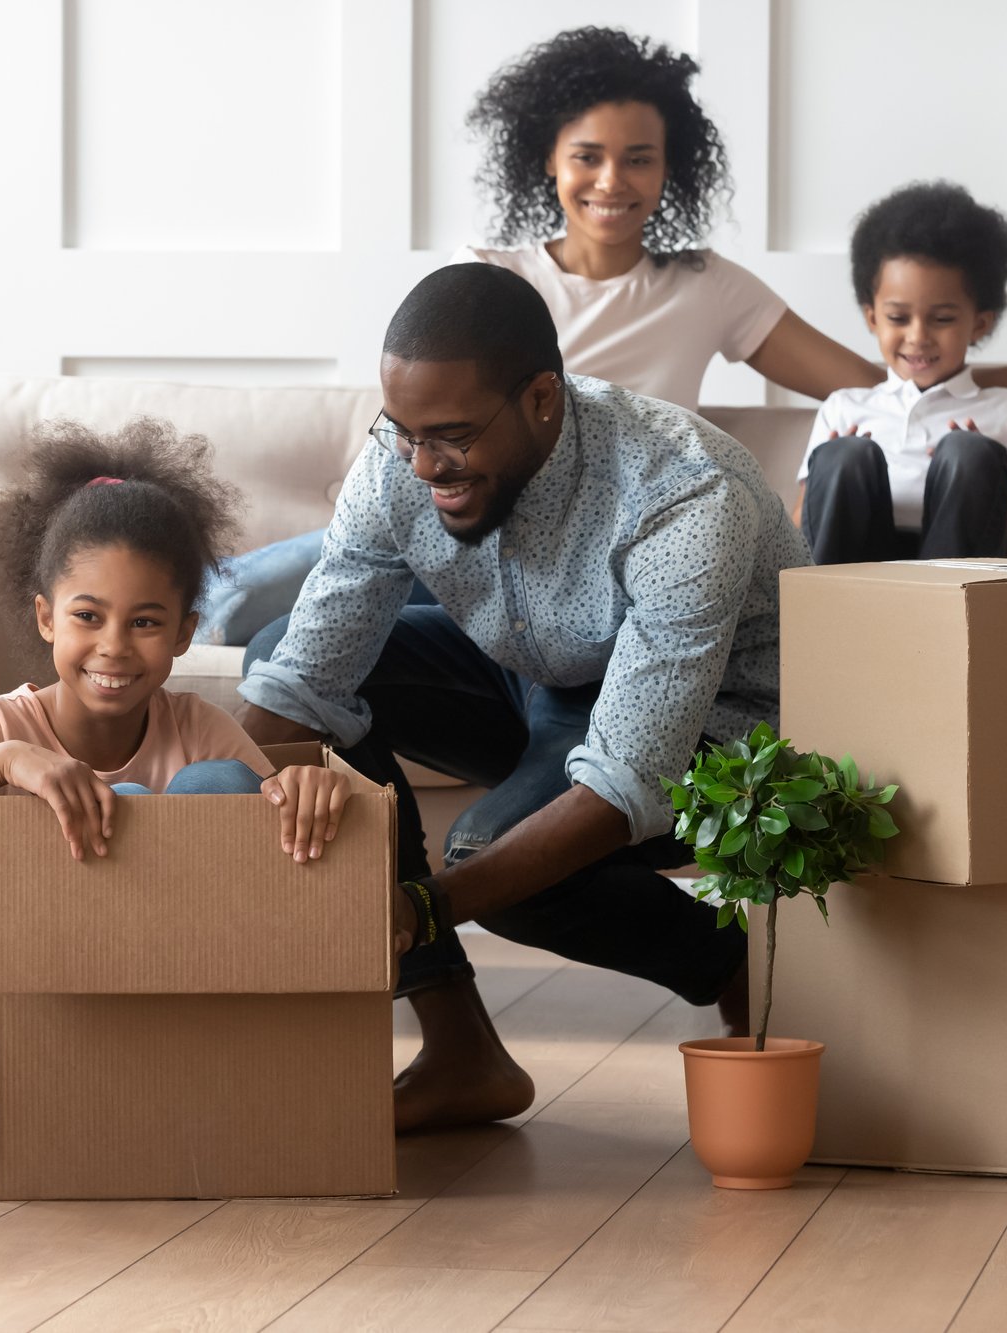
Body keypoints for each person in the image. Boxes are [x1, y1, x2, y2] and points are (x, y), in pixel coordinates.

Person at [198, 27, 1007, 643]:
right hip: (470, 516)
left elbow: (881, 382)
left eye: (639, 159)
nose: (614, 181)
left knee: (327, 623)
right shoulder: (490, 271)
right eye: (588, 158)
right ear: (549, 164)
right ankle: (156, 642)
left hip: (586, 551)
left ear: (669, 170)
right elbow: (426, 424)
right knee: (254, 594)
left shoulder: (706, 288)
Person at [236, 264, 812, 1133]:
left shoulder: (683, 493)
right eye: (405, 432)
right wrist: (202, 833)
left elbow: (624, 788)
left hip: (713, 730)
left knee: (490, 865)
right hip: (540, 680)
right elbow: (303, 681)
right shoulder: (403, 460)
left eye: (454, 437)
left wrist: (422, 905)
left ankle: (737, 966)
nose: (425, 466)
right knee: (282, 653)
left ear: (544, 398)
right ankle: (463, 1053)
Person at [0, 419, 353, 903]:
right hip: (58, 965)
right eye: (88, 615)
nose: (114, 646)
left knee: (213, 783)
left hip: (195, 944)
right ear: (46, 618)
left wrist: (302, 788)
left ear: (183, 633)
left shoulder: (196, 729)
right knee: (123, 797)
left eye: (145, 622)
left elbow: (279, 810)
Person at [794, 181, 1007, 563]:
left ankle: (945, 616)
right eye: (898, 318)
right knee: (843, 455)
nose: (918, 337)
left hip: (953, 588)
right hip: (856, 586)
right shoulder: (844, 408)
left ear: (980, 324)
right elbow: (796, 528)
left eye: (942, 318)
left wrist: (988, 467)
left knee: (968, 452)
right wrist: (832, 475)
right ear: (872, 318)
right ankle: (832, 615)